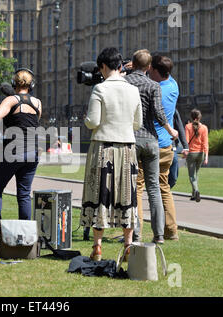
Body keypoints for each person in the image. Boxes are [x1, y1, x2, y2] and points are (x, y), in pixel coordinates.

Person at [80, 47, 143, 261]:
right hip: (127, 148)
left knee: (100, 195)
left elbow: (93, 122)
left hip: (103, 147)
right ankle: (127, 245)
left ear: (104, 67)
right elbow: (138, 123)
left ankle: (97, 246)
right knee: (128, 196)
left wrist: (86, 120)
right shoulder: (133, 90)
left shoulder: (99, 89)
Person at [125, 49, 178, 244]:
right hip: (152, 141)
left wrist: (125, 71)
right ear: (149, 67)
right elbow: (159, 112)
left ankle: (136, 233)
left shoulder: (126, 83)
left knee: (135, 190)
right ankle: (160, 235)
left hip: (132, 139)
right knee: (155, 188)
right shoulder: (157, 85)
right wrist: (170, 130)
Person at [0, 68, 42, 236]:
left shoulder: (11, 100)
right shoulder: (37, 102)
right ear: (31, 85)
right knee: (24, 193)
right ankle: (26, 232)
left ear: (13, 84)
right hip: (32, 153)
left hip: (13, 151)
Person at [147, 55, 181, 240]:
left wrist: (136, 69)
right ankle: (171, 230)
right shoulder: (173, 86)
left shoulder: (154, 89)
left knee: (137, 186)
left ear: (155, 71)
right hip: (167, 145)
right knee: (164, 188)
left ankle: (132, 231)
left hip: (150, 143)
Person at [185, 109, 209, 202]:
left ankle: (196, 191)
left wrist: (185, 152)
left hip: (191, 153)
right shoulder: (204, 128)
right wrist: (206, 156)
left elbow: (186, 141)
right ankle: (193, 194)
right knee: (196, 174)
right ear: (200, 117)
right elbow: (205, 143)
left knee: (192, 175)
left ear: (191, 117)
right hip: (201, 153)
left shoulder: (188, 126)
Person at [168, 109, 189, 188]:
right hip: (156, 144)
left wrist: (186, 147)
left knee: (173, 176)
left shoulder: (173, 109)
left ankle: (165, 190)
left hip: (171, 145)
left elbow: (180, 128)